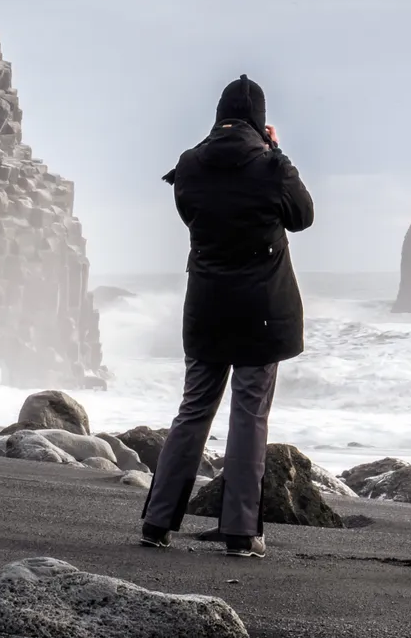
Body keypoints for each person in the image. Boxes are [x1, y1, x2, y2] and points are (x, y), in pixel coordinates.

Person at [140, 74, 314, 559]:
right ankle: (240, 531)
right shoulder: (271, 166)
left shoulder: (189, 165)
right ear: (261, 122)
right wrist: (278, 153)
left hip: (207, 304)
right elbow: (302, 216)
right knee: (249, 413)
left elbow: (191, 214)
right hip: (262, 309)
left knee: (193, 409)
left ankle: (157, 522)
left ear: (218, 116)